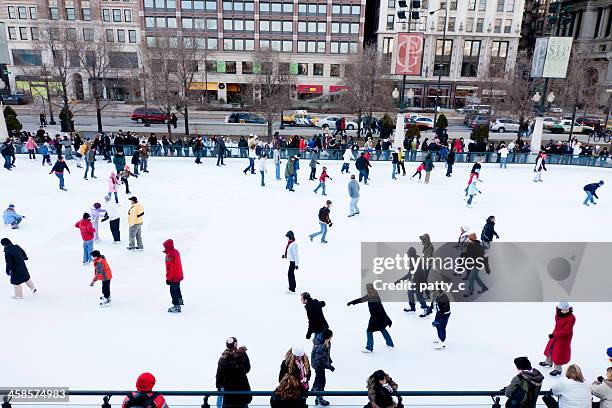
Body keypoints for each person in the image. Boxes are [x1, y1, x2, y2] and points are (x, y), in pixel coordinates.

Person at [347, 283, 394, 353]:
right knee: (382, 329)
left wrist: (388, 320)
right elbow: (361, 299)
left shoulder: (374, 299)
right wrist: (352, 302)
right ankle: (390, 343)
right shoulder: (371, 296)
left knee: (369, 331)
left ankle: (369, 347)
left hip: (375, 319)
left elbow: (382, 311)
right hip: (379, 319)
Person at [540, 302, 576, 376]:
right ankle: (548, 361)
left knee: (559, 352)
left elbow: (567, 330)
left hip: (564, 337)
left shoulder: (571, 318)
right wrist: (554, 334)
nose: (565, 311)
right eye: (563, 310)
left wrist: (554, 335)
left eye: (567, 309)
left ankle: (558, 369)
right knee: (551, 348)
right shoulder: (558, 314)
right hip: (555, 334)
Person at [215, 337, 252, 408]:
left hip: (229, 393)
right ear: (235, 344)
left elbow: (219, 376)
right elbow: (247, 369)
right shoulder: (242, 355)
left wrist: (219, 386)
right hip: (242, 391)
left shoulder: (222, 359)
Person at [311, 328, 334, 406]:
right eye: (331, 336)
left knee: (318, 377)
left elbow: (326, 353)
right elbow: (320, 361)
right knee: (321, 382)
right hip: (318, 365)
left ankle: (314, 388)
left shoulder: (325, 341)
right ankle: (319, 399)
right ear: (327, 337)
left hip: (318, 364)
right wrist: (329, 366)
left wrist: (329, 359)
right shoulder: (321, 346)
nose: (332, 338)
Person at [462, 233, 488, 297]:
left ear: (472, 240)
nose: (468, 240)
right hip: (473, 264)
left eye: (469, 239)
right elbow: (467, 254)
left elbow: (483, 256)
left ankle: (470, 291)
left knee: (471, 277)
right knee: (475, 277)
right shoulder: (470, 245)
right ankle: (484, 287)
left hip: (477, 264)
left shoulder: (478, 246)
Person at [164, 239, 184, 313]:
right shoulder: (176, 252)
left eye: (165, 246)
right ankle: (180, 299)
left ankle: (176, 306)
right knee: (177, 288)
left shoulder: (169, 255)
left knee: (173, 291)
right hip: (178, 275)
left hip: (173, 277)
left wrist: (168, 279)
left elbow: (170, 268)